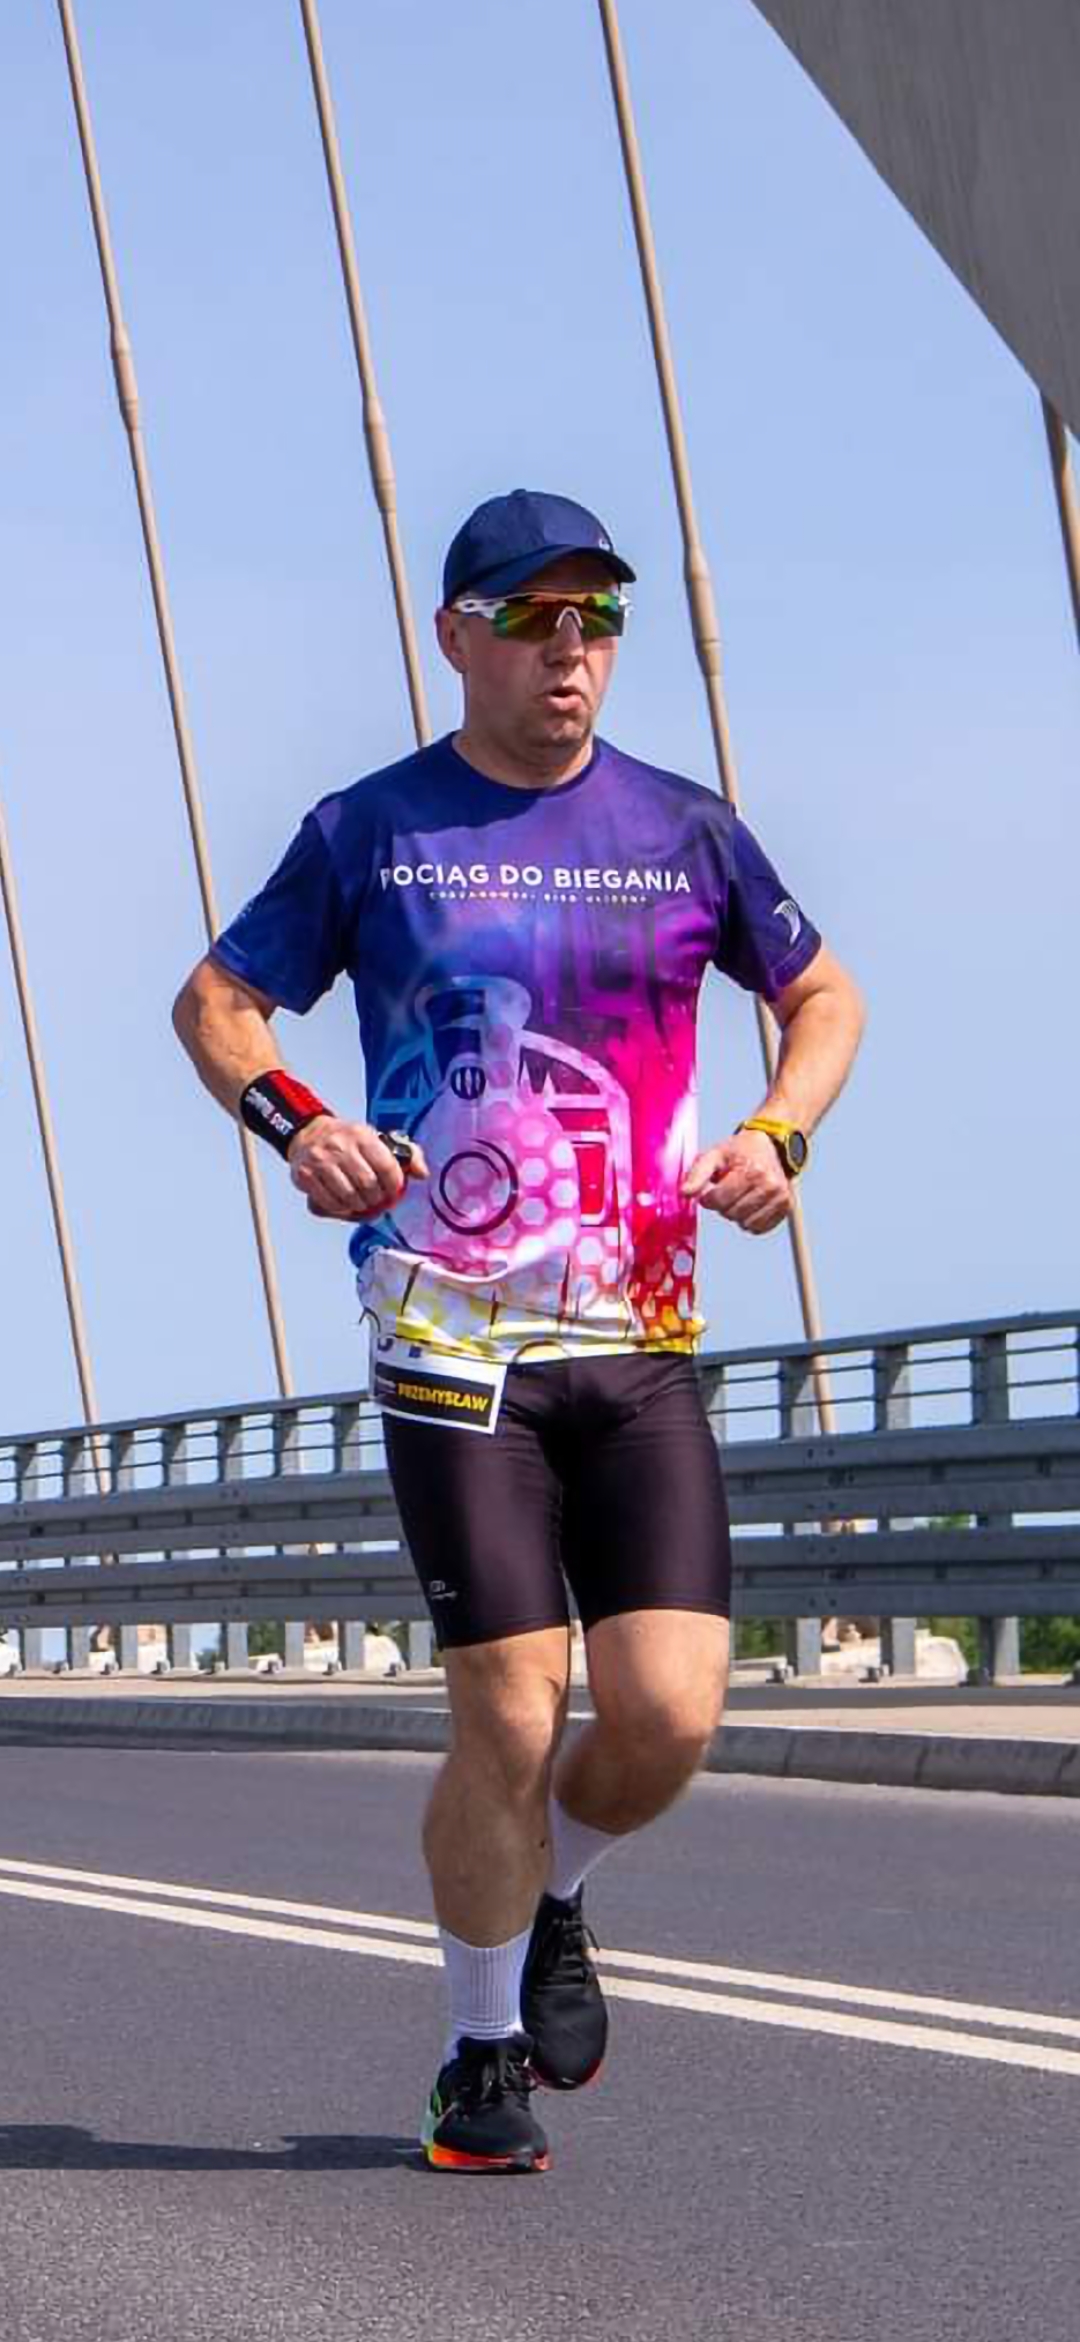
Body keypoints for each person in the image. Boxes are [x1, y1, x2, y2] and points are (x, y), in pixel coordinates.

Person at [172, 487, 865, 2175]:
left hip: (640, 1336)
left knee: (668, 1717)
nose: (574, 649)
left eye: (599, 617)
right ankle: (477, 2056)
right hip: (449, 1337)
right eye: (536, 617)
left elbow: (822, 994)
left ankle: (553, 1892)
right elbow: (217, 1001)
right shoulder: (372, 828)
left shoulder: (688, 829)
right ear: (455, 636)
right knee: (506, 1714)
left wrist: (779, 1133)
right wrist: (296, 1122)